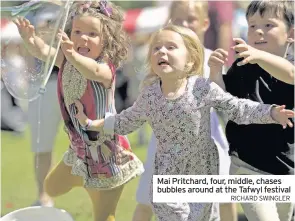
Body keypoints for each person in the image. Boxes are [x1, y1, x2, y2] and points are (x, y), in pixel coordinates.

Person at [74, 25, 294, 221]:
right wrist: (92, 123)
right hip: (167, 173)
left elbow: (237, 108)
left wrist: (272, 112)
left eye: (171, 47)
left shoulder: (202, 88)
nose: (162, 52)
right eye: (157, 48)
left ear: (190, 60)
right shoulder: (149, 96)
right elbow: (126, 121)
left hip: (203, 171)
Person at [13, 1, 144, 220]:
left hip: (108, 156)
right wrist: (30, 39)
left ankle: (92, 184)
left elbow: (92, 70)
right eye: (77, 31)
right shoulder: (66, 59)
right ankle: (84, 179)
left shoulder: (105, 68)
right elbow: (44, 51)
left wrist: (72, 55)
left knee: (104, 216)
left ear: (107, 39)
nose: (83, 38)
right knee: (51, 187)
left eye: (92, 34)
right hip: (80, 151)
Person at [132, 1, 236, 221]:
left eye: (191, 19)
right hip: (165, 144)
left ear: (205, 23)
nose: (185, 24)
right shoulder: (162, 58)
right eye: (178, 20)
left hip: (209, 139)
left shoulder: (211, 59)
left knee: (224, 198)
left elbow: (224, 100)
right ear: (169, 23)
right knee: (146, 199)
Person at [208, 1, 294, 221]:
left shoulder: (290, 65)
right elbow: (223, 100)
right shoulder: (243, 65)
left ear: (291, 34)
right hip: (246, 166)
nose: (258, 31)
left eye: (268, 25)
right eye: (252, 25)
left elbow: (291, 75)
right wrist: (216, 73)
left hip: (286, 168)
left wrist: (258, 55)